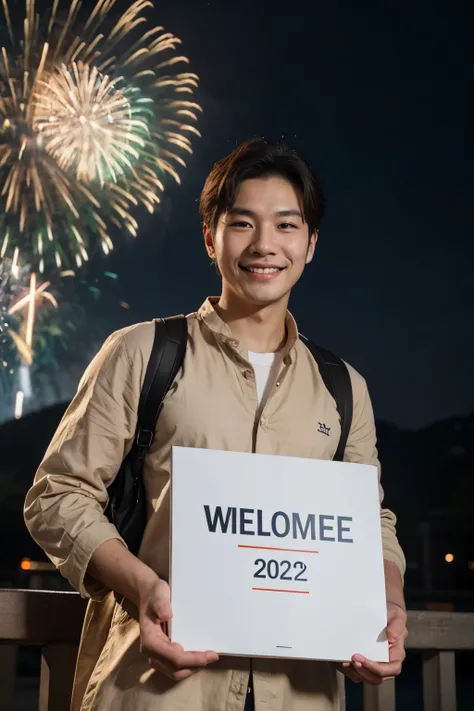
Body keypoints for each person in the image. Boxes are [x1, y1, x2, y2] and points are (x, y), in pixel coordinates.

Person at [24, 138, 407, 711]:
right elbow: (57, 495)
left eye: (286, 226)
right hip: (156, 689)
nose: (264, 246)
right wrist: (144, 587)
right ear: (210, 237)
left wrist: (390, 600)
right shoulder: (143, 354)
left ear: (311, 244)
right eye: (241, 224)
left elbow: (367, 519)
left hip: (300, 693)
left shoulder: (344, 387)